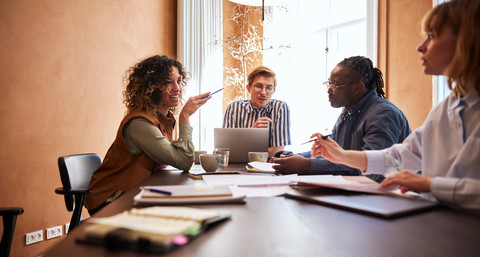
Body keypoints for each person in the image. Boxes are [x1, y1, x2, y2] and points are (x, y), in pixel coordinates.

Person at [310, 0, 480, 211]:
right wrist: (341, 155)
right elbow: (399, 156)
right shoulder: (444, 109)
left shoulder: (383, 112)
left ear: (467, 41)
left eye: (432, 36)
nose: (420, 46)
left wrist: (430, 185)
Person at [86, 55, 211, 215]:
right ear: (151, 87)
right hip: (111, 199)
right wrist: (185, 116)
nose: (177, 88)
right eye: (167, 82)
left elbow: (172, 157)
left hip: (136, 191)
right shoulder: (140, 122)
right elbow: (183, 161)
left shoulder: (163, 118)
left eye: (179, 81)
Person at [273, 56, 411, 181]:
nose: (329, 89)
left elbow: (372, 170)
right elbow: (332, 155)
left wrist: (306, 165)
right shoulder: (348, 112)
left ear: (358, 87)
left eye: (336, 84)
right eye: (329, 83)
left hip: (394, 198)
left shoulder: (383, 114)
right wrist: (297, 158)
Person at [223, 66, 291, 157]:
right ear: (248, 88)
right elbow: (226, 150)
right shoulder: (234, 108)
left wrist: (242, 148)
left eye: (269, 88)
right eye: (258, 86)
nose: (263, 92)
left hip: (268, 166)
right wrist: (251, 133)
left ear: (274, 90)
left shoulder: (280, 108)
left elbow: (276, 151)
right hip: (238, 166)